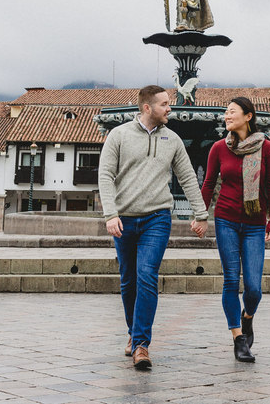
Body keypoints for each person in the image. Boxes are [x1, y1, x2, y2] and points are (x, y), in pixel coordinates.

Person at [98, 85, 208, 370]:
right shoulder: (118, 136)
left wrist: (200, 214)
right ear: (147, 107)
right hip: (124, 218)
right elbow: (105, 175)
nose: (169, 108)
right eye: (164, 104)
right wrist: (110, 214)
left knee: (147, 275)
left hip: (157, 218)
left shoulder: (173, 139)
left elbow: (187, 178)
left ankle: (141, 345)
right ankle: (134, 335)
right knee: (128, 280)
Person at [201, 96, 270, 363]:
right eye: (225, 112)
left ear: (248, 116)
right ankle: (238, 339)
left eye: (231, 112)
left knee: (254, 288)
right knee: (231, 280)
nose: (226, 115)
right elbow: (209, 183)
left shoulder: (266, 148)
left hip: (255, 223)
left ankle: (247, 319)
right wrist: (201, 216)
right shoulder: (218, 148)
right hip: (226, 220)